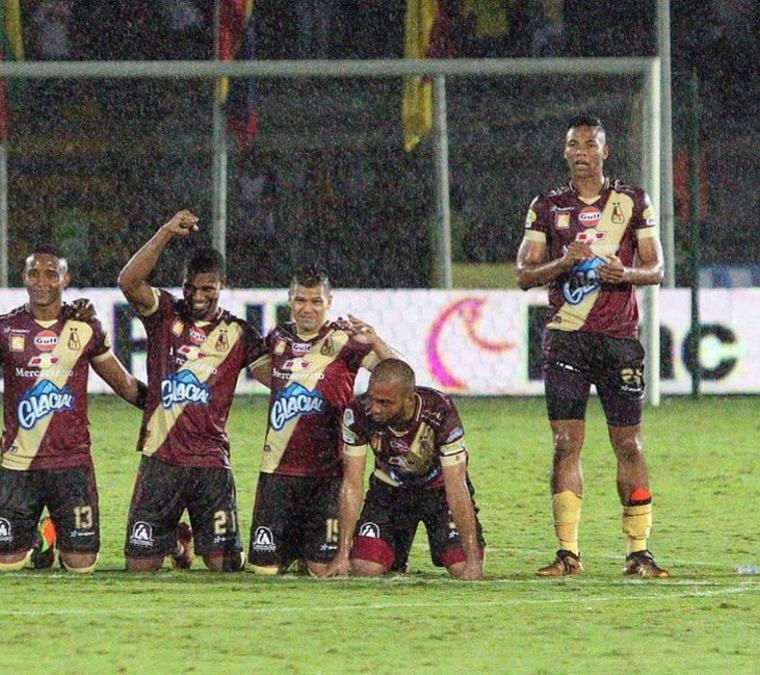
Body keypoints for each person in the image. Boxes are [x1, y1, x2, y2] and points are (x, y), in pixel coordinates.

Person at [515, 115, 669, 578]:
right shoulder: (547, 206)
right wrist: (565, 261)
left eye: (589, 143)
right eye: (572, 144)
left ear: (605, 151)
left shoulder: (632, 200)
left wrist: (627, 275)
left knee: (630, 445)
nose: (581, 151)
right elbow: (524, 275)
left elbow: (656, 268)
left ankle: (639, 551)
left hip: (620, 341)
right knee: (565, 444)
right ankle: (568, 553)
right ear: (565, 153)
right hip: (566, 340)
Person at [0, 246, 147, 573]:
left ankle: (49, 533)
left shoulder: (87, 327)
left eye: (51, 274)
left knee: (80, 567)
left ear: (65, 278)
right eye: (34, 273)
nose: (42, 281)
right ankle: (34, 540)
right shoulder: (3, 329)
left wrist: (163, 407)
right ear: (23, 277)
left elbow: (125, 385)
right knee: (3, 566)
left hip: (72, 463)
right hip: (19, 464)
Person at [117, 210, 270, 572]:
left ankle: (185, 542)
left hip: (211, 463)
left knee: (226, 568)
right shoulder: (165, 313)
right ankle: (174, 541)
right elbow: (129, 281)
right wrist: (165, 231)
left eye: (207, 289)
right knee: (139, 569)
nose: (198, 296)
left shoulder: (240, 333)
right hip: (160, 458)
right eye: (191, 287)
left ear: (222, 286)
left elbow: (276, 379)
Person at [246, 265, 399, 576]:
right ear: (289, 300)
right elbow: (266, 375)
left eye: (316, 301)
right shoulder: (276, 338)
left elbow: (398, 374)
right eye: (301, 300)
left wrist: (376, 340)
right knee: (263, 572)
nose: (307, 308)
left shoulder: (345, 340)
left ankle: (309, 554)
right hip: (277, 471)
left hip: (326, 473)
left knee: (322, 569)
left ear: (329, 302)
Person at [322, 360, 484, 580]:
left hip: (438, 493)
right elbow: (352, 482)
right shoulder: (359, 413)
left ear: (408, 399)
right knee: (364, 567)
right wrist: (342, 554)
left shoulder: (439, 410)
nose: (375, 408)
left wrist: (474, 562)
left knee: (461, 567)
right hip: (389, 492)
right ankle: (394, 554)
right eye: (371, 398)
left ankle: (464, 554)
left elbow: (456, 485)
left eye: (385, 402)